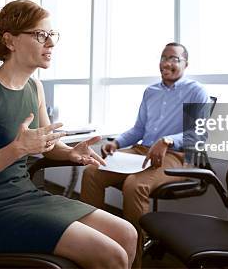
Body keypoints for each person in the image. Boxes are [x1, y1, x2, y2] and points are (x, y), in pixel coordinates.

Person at [0, 0, 137, 269]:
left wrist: (70, 152)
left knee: (127, 234)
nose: (50, 43)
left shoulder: (34, 87)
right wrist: (17, 149)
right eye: (40, 35)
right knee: (112, 256)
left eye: (52, 36)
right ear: (10, 40)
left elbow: (47, 145)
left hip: (27, 194)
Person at [80, 42, 209, 266]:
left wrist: (168, 140)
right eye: (163, 57)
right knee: (92, 172)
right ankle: (92, 242)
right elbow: (139, 130)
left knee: (134, 184)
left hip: (177, 155)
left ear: (186, 64)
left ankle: (133, 258)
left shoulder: (196, 91)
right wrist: (117, 141)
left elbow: (198, 134)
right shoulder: (151, 91)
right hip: (141, 151)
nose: (167, 63)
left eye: (174, 59)